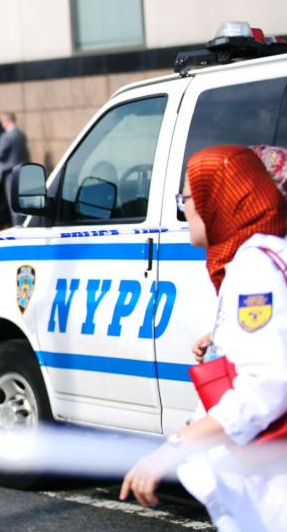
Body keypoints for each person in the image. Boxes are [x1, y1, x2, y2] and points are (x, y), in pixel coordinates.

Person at [120, 145, 287, 531]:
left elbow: (267, 383)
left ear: (222, 200)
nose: (184, 209)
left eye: (188, 196)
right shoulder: (262, 257)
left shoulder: (255, 265)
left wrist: (174, 449)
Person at [0, 112, 30, 227]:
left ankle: (17, 227)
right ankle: (24, 224)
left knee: (13, 202)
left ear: (8, 121)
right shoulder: (21, 134)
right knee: (22, 200)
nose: (2, 124)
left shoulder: (6, 136)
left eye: (3, 122)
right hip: (23, 170)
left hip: (10, 173)